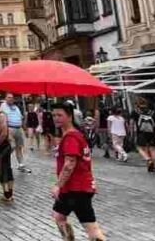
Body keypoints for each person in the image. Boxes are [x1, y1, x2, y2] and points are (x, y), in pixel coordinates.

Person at [51, 101, 105, 241]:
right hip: (74, 187)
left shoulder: (71, 137)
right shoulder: (73, 135)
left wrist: (58, 185)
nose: (56, 118)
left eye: (60, 115)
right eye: (54, 115)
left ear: (69, 117)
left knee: (91, 227)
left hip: (76, 188)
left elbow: (70, 164)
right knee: (59, 216)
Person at [0, 99, 15, 203]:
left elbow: (4, 133)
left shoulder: (1, 115)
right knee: (1, 168)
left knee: (3, 169)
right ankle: (7, 193)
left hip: (3, 146)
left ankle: (8, 194)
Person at [1, 94, 30, 174]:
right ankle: (3, 162)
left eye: (12, 98)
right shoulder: (2, 106)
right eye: (9, 97)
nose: (10, 99)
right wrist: (5, 130)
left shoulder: (16, 107)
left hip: (18, 129)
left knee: (19, 147)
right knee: (11, 147)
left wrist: (25, 129)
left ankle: (21, 165)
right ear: (5, 98)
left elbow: (20, 118)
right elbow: (1, 119)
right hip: (9, 128)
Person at [133, 97, 155, 174]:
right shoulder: (152, 112)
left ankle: (148, 159)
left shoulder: (135, 112)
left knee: (140, 148)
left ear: (137, 104)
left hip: (141, 133)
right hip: (152, 133)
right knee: (153, 149)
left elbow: (132, 124)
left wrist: (132, 134)